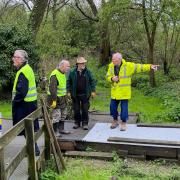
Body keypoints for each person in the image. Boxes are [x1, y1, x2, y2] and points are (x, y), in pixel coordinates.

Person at [106, 52, 158, 131]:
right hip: (115, 92)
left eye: (114, 59)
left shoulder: (128, 66)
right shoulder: (110, 66)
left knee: (124, 109)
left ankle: (123, 123)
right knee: (112, 107)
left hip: (124, 92)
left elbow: (139, 67)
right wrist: (112, 78)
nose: (112, 61)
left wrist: (150, 66)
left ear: (119, 59)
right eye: (112, 59)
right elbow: (107, 76)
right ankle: (115, 120)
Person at [12, 49, 40, 155]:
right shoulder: (27, 69)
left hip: (25, 105)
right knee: (28, 128)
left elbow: (21, 92)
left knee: (26, 128)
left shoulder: (23, 71)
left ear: (20, 59)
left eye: (15, 57)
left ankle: (34, 150)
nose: (13, 59)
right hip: (30, 103)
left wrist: (15, 102)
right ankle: (33, 150)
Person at [67, 57, 96, 130]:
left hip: (85, 94)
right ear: (78, 64)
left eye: (84, 63)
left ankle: (85, 123)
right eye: (82, 63)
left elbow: (92, 81)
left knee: (85, 109)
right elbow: (68, 82)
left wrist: (93, 91)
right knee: (76, 110)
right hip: (75, 94)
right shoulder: (72, 72)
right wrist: (68, 92)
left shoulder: (88, 72)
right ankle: (77, 122)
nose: (83, 64)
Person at [47, 60, 70, 135]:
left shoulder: (63, 73)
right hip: (55, 98)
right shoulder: (54, 75)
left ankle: (61, 129)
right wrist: (54, 100)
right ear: (62, 66)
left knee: (63, 114)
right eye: (67, 66)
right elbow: (52, 89)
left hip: (63, 98)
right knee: (56, 115)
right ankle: (55, 131)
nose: (69, 68)